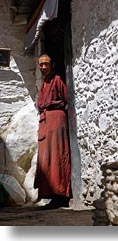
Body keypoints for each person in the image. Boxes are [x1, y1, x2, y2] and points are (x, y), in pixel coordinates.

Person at [34, 54, 72, 209]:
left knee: (57, 155)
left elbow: (66, 98)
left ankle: (60, 194)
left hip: (56, 120)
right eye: (41, 64)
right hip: (45, 122)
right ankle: (50, 194)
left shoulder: (57, 80)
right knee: (46, 159)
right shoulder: (45, 83)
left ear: (53, 64)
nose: (43, 67)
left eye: (46, 64)